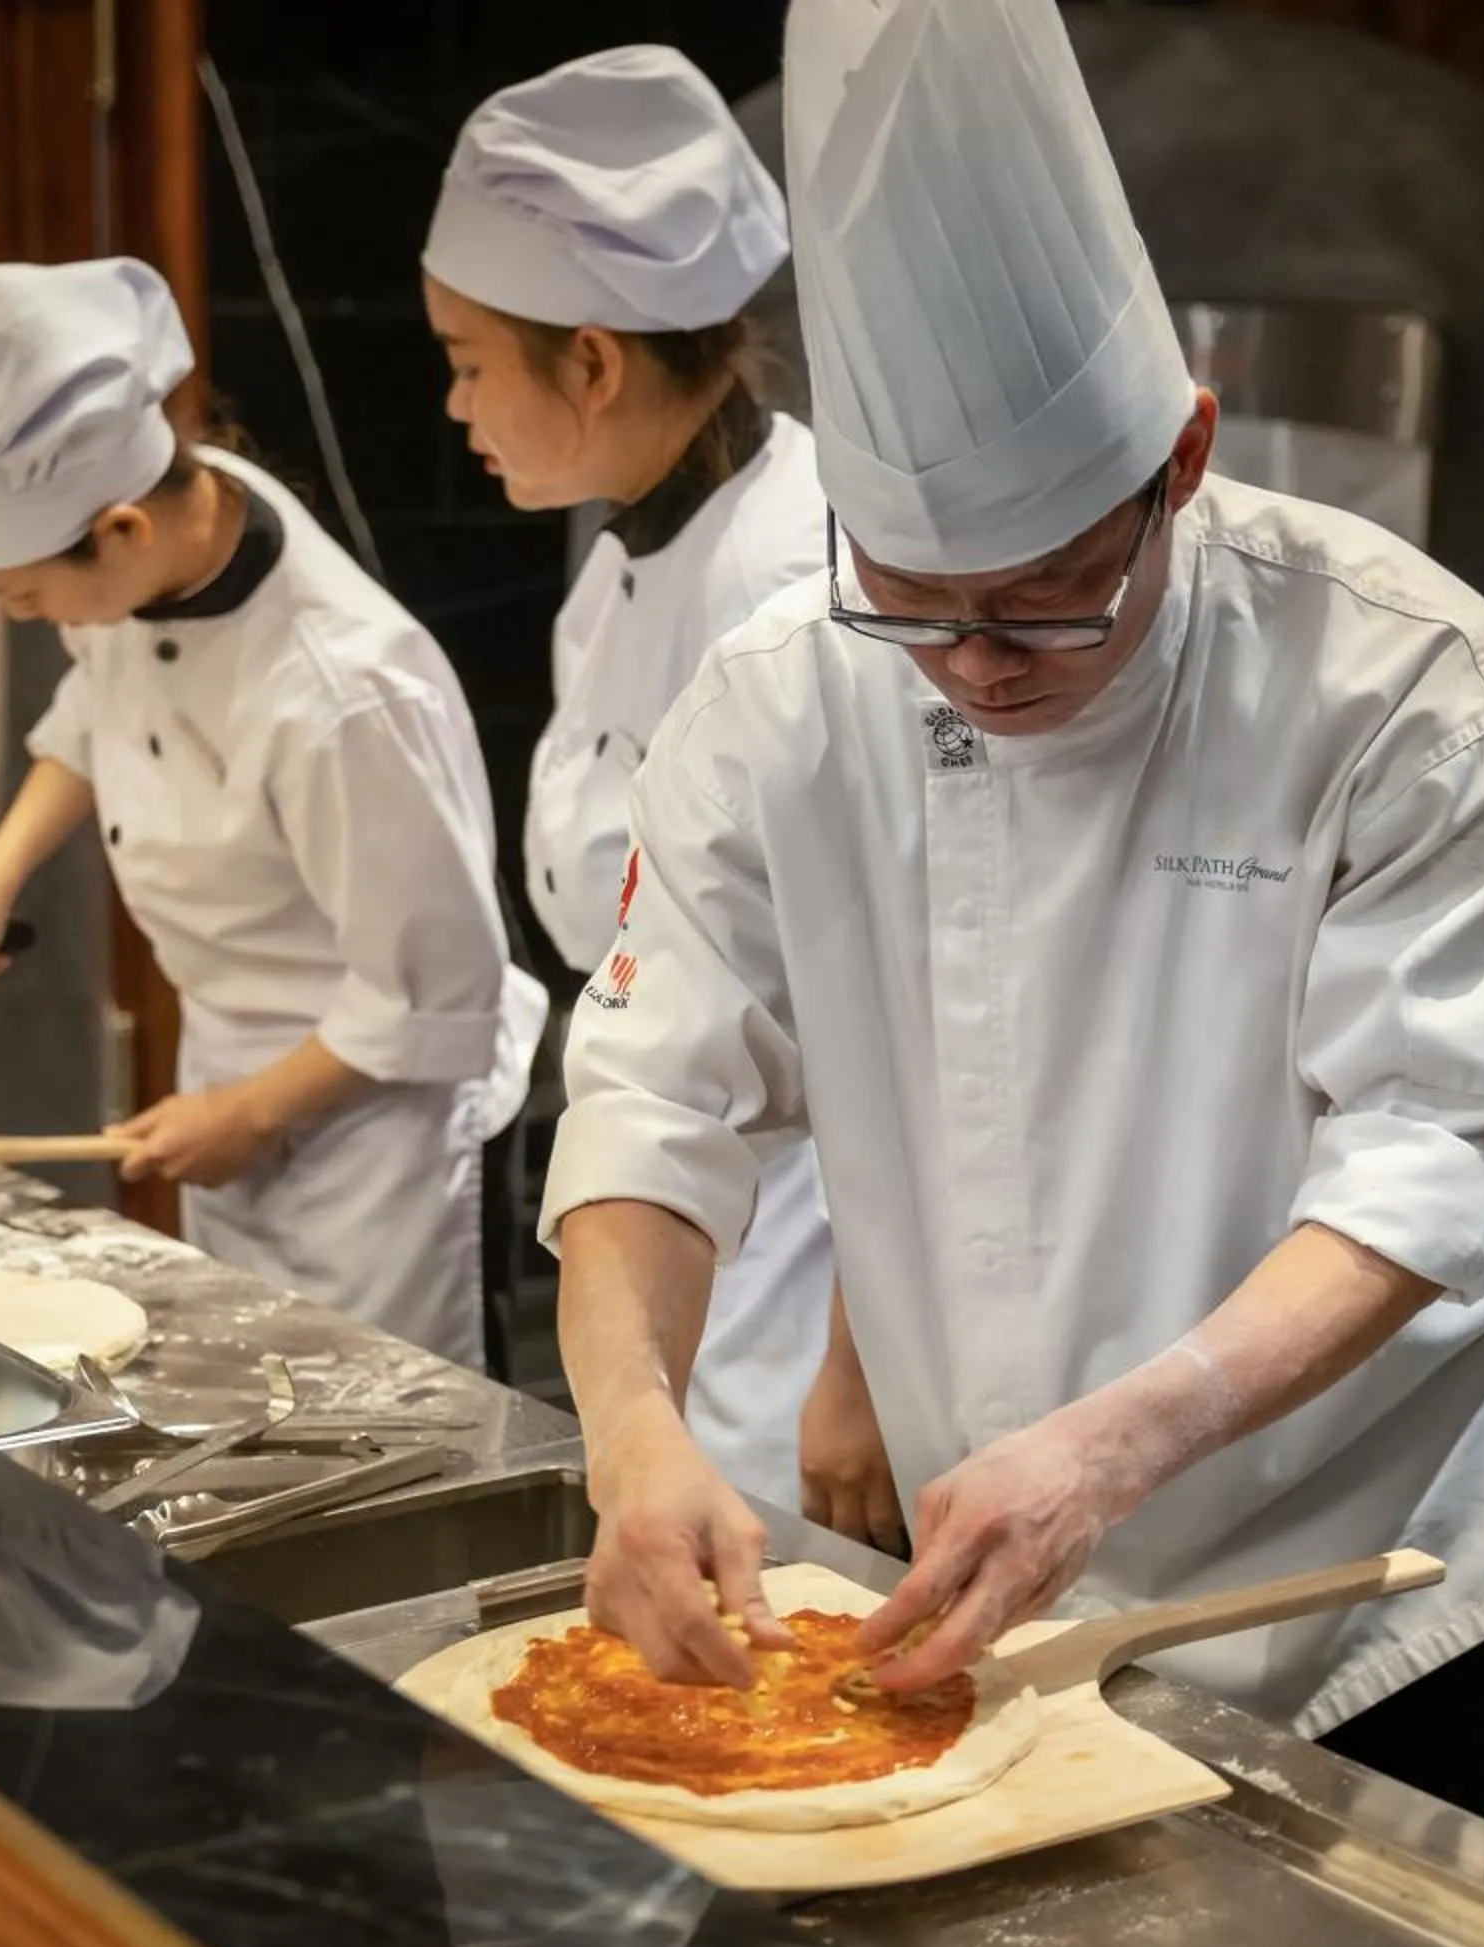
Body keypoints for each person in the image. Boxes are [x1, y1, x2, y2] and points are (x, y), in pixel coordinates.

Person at [538, 0, 1484, 1878]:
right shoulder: (769, 712)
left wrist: (1114, 1444)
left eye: (1056, 596)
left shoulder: (1412, 683)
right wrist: (635, 1430)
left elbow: (1417, 1166)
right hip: (1024, 1597)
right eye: (913, 600)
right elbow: (657, 1110)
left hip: (1392, 1571)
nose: (977, 662)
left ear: (1187, 456)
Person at [0, 257, 545, 1371]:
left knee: (388, 1440)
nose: (32, 622)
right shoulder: (182, 517)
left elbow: (436, 991)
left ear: (122, 531)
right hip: (231, 1084)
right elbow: (96, 707)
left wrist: (256, 1110)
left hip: (381, 1136)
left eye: (25, 596)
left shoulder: (342, 692)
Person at [419, 46, 843, 1518]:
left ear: (591, 361)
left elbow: (898, 1005)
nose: (457, 408)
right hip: (676, 1233)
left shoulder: (798, 578)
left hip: (804, 1275)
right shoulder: (617, 573)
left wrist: (861, 1359)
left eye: (469, 362)